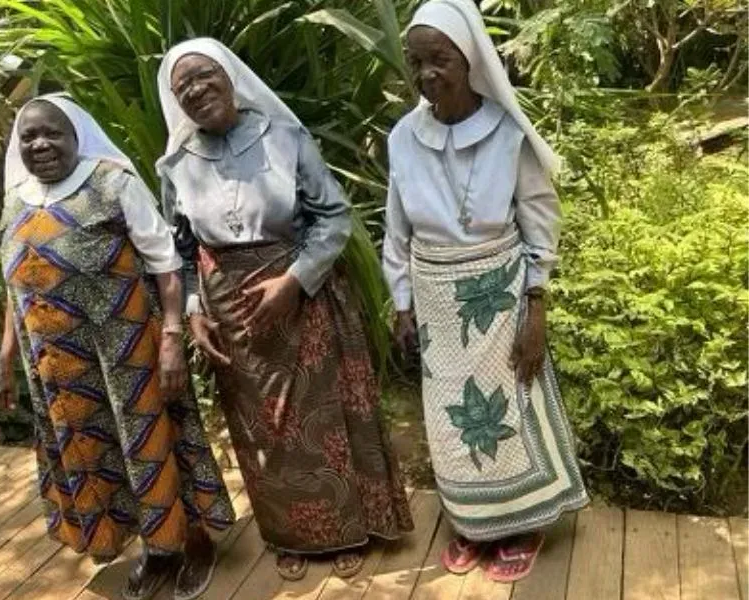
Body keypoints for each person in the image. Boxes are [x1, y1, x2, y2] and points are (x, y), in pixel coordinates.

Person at [156, 38, 414, 581]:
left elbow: (335, 218)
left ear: (229, 76)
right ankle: (287, 534)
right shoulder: (176, 165)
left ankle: (348, 529)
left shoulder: (284, 137)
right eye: (184, 86)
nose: (197, 90)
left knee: (323, 421)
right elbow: (180, 250)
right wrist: (197, 309)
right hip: (231, 314)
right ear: (175, 100)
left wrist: (294, 282)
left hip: (302, 296)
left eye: (206, 76)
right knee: (262, 433)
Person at [0, 93, 234, 600]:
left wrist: (171, 339)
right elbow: (13, 285)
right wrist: (6, 358)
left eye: (52, 133)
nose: (40, 143)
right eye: (29, 136)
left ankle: (192, 543)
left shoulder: (111, 183)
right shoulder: (16, 199)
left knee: (154, 442)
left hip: (128, 354)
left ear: (77, 135)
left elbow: (166, 264)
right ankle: (156, 547)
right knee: (101, 451)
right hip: (59, 368)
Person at [382, 0, 589, 584]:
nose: (427, 74)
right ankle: (473, 523)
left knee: (510, 409)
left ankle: (521, 523)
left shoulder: (506, 133)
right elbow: (396, 229)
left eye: (440, 59)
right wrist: (401, 301)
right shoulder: (404, 137)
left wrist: (537, 308)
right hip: (436, 305)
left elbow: (540, 220)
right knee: (451, 419)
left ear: (469, 58)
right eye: (416, 61)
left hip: (499, 296)